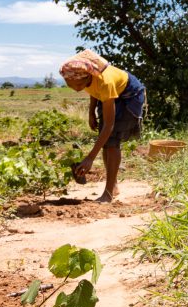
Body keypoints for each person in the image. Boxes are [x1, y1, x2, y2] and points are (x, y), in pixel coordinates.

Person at [60, 50, 147, 203]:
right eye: (70, 85)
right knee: (106, 143)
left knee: (112, 142)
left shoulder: (105, 82)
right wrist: (91, 112)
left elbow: (109, 125)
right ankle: (113, 186)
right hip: (110, 96)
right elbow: (93, 90)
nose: (76, 88)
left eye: (79, 85)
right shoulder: (88, 78)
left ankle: (108, 193)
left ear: (88, 77)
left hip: (128, 96)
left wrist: (90, 158)